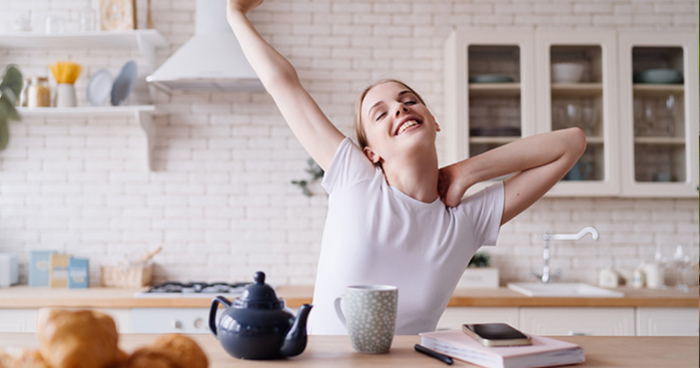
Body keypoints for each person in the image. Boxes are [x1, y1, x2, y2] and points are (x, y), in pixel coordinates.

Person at [226, 0, 587, 334]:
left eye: (409, 101)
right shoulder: (356, 180)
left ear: (434, 121)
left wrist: (468, 171)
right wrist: (235, 14)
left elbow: (571, 143)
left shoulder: (465, 221)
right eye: (380, 113)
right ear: (371, 153)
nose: (399, 109)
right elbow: (282, 83)